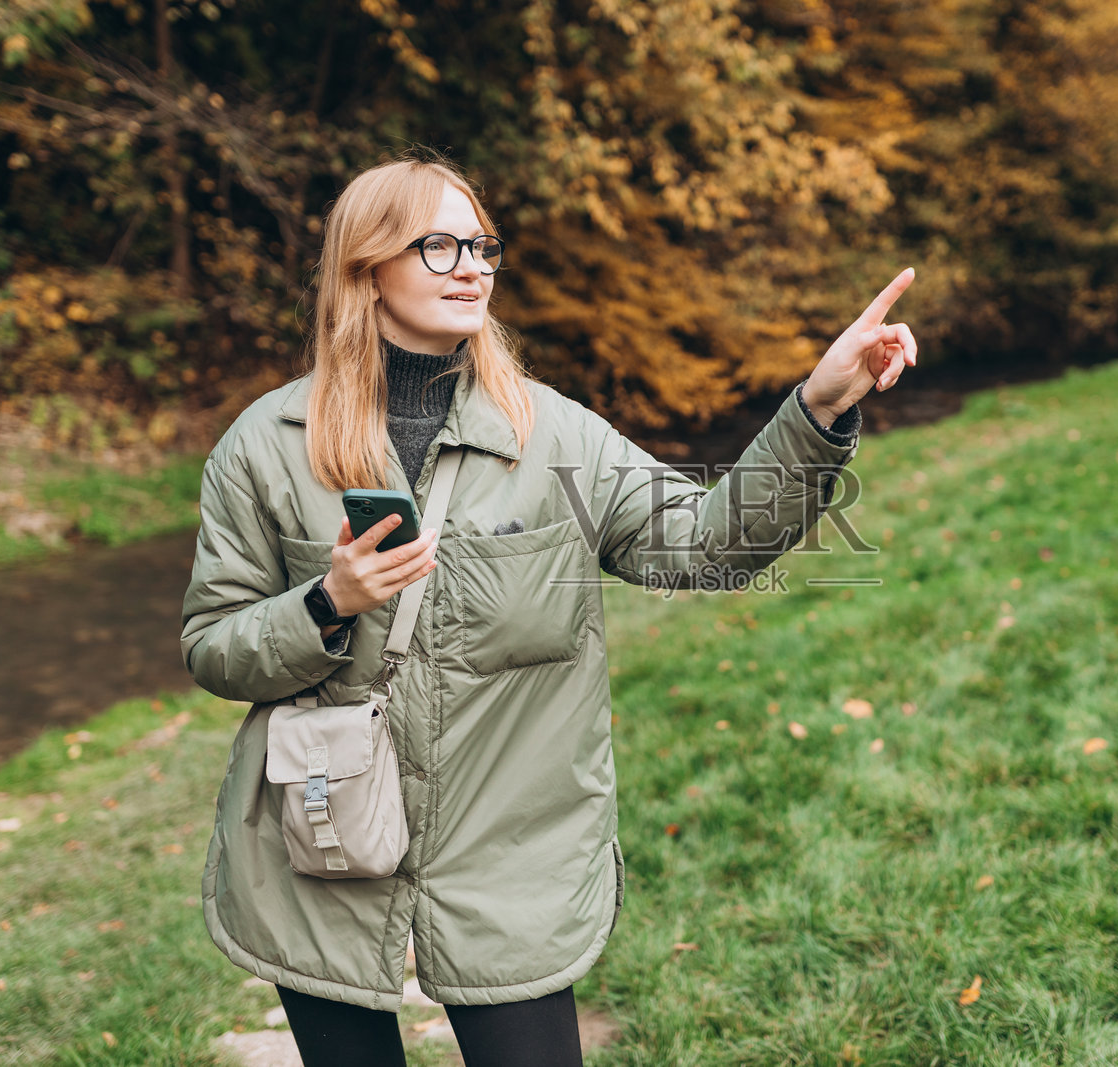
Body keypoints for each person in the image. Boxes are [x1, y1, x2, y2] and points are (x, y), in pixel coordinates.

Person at [181, 147, 917, 1066]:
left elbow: (708, 546)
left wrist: (817, 406)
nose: (473, 266)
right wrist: (327, 602)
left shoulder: (555, 432)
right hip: (319, 848)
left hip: (512, 862)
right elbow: (213, 647)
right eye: (439, 246)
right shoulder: (265, 444)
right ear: (366, 266)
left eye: (481, 245)